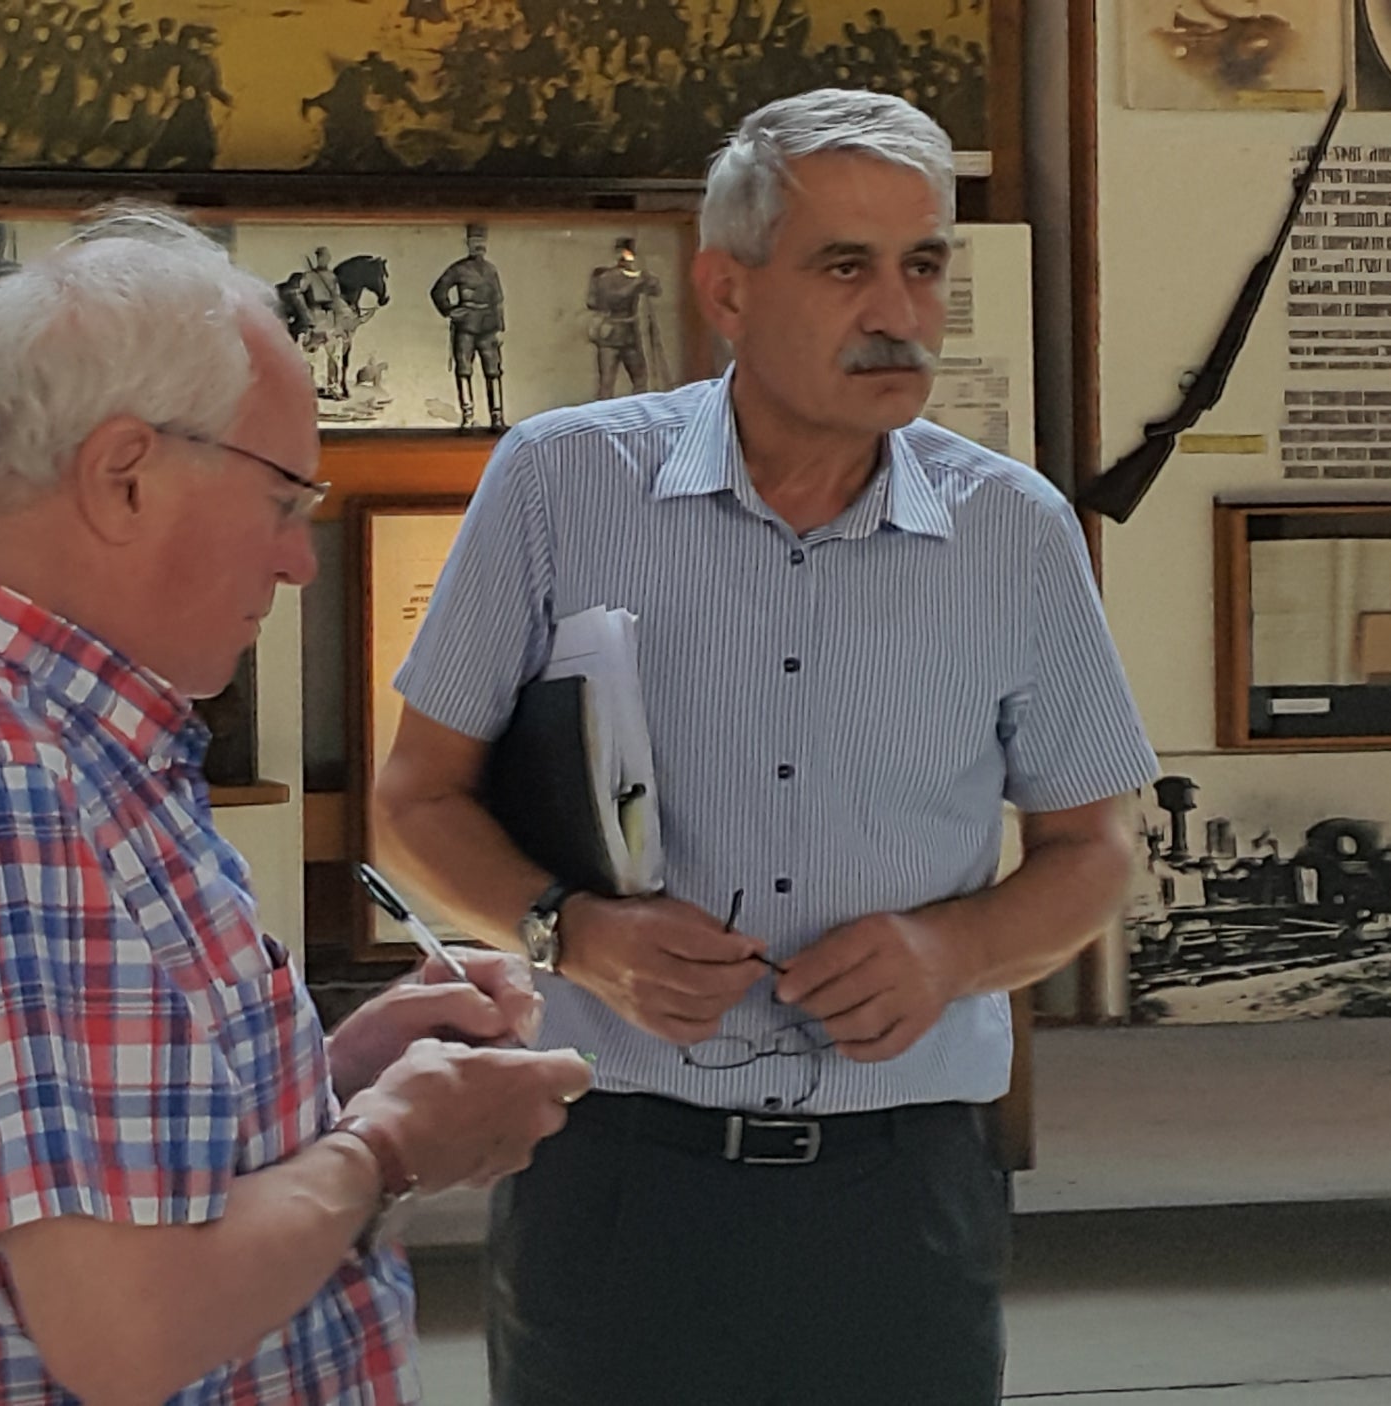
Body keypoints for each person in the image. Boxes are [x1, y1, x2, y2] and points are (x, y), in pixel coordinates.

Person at [0, 205, 592, 1404]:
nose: (296, 560)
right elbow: (123, 1328)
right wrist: (389, 1144)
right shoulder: (4, 784)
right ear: (124, 477)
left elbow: (41, 1160)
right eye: (287, 498)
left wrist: (332, 1078)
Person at [375, 89, 1158, 1405]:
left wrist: (947, 951)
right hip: (616, 1177)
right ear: (724, 293)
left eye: (922, 266)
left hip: (898, 1189)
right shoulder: (561, 485)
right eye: (845, 266)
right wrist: (575, 933)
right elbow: (414, 799)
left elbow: (1091, 850)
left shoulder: (1013, 533)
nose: (898, 313)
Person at [429, 222, 507, 433]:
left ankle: (497, 417)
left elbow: (498, 299)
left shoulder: (491, 270)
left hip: (489, 327)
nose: (478, 246)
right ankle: (467, 416)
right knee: (464, 370)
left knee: (494, 372)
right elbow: (438, 291)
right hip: (466, 327)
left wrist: (500, 327)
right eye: (474, 242)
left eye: (481, 242)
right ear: (468, 244)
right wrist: (449, 310)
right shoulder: (459, 269)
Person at [585, 235, 665, 399]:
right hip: (611, 334)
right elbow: (607, 299)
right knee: (607, 383)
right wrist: (636, 283)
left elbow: (656, 290)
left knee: (640, 379)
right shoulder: (605, 277)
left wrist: (647, 279)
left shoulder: (634, 276)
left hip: (629, 336)